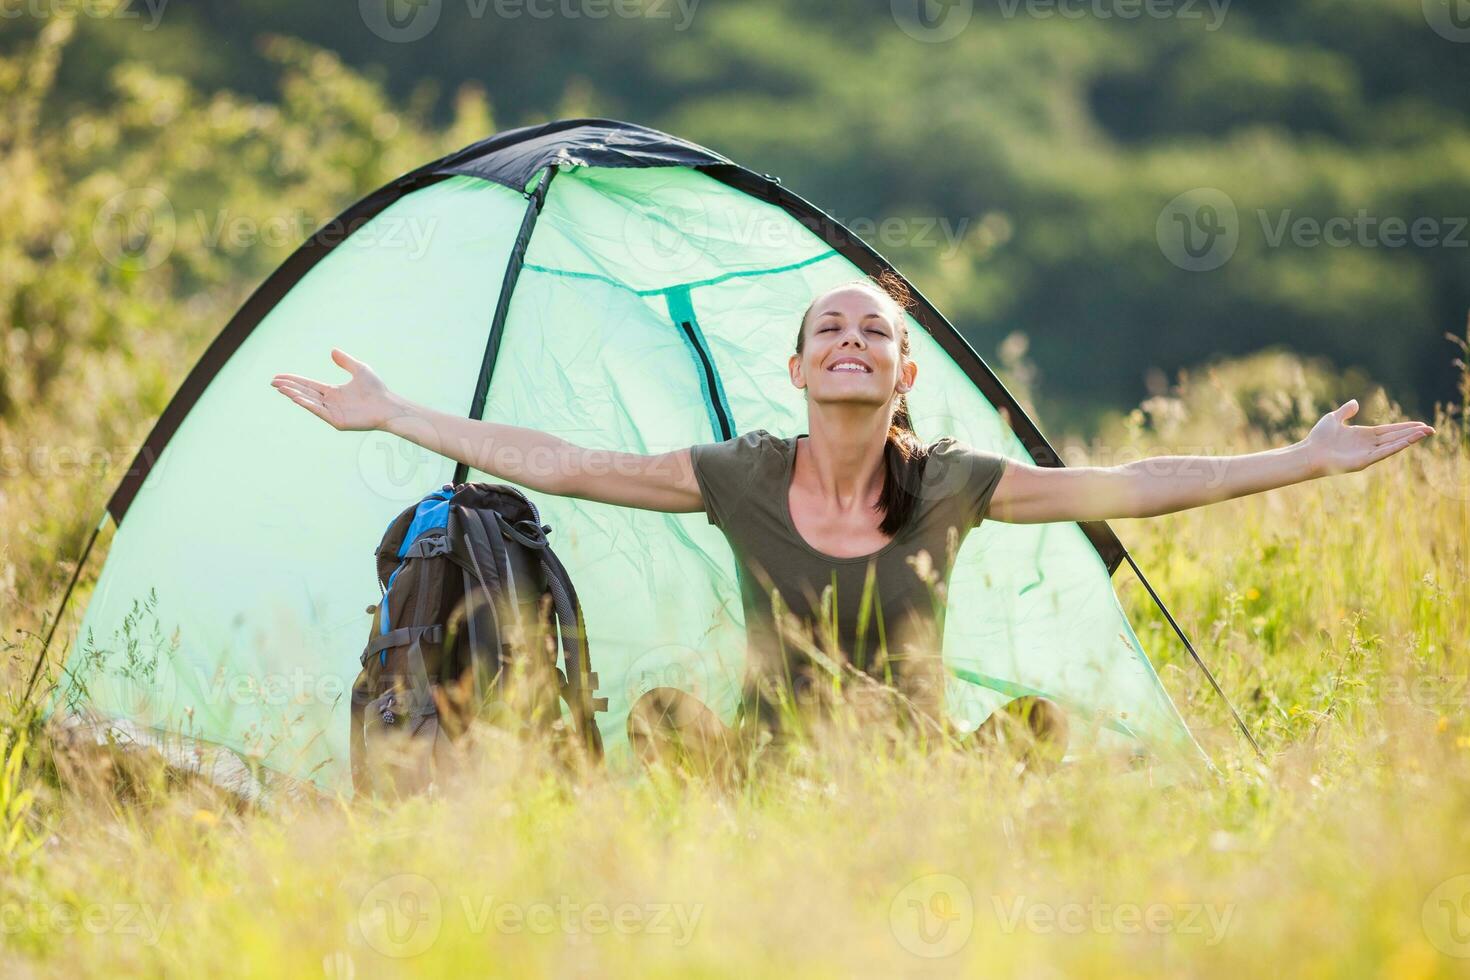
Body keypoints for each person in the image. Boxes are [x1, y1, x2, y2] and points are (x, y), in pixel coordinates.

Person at [270, 272, 1435, 775]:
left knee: (1047, 732)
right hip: (768, 773)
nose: (849, 341)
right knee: (670, 717)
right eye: (830, 328)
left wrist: (1303, 459)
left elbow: (1132, 481)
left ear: (905, 372)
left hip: (909, 772)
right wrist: (396, 415)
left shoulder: (955, 484)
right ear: (793, 364)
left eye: (873, 332)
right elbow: (574, 465)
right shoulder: (738, 475)